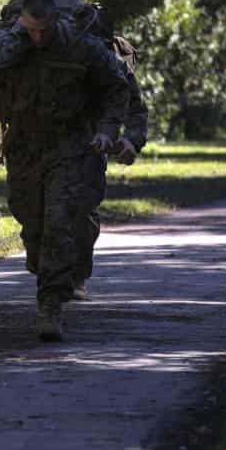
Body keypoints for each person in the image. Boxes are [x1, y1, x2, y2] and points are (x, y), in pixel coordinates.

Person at [0, 0, 130, 341]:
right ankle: (47, 270)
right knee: (30, 221)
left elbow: (117, 87)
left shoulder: (81, 45)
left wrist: (108, 130)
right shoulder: (12, 42)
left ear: (55, 21)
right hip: (24, 147)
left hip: (70, 146)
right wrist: (20, 37)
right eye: (31, 29)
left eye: (44, 30)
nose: (39, 37)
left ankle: (50, 306)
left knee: (59, 222)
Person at [73, 60, 149, 300]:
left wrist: (131, 139)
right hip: (36, 149)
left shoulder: (102, 52)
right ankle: (49, 272)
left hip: (88, 146)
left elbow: (134, 105)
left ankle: (74, 277)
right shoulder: (27, 37)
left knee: (81, 210)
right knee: (33, 214)